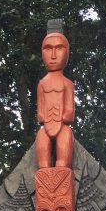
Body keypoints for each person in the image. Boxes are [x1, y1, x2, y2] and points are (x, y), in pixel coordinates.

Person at [35, 22, 74, 169]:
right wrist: (44, 118)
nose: (53, 55)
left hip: (61, 125)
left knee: (66, 134)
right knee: (41, 137)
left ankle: (62, 165)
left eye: (58, 49)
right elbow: (40, 112)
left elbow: (70, 113)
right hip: (46, 127)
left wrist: (62, 117)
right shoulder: (42, 84)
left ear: (67, 52)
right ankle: (44, 167)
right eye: (48, 49)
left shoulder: (67, 83)